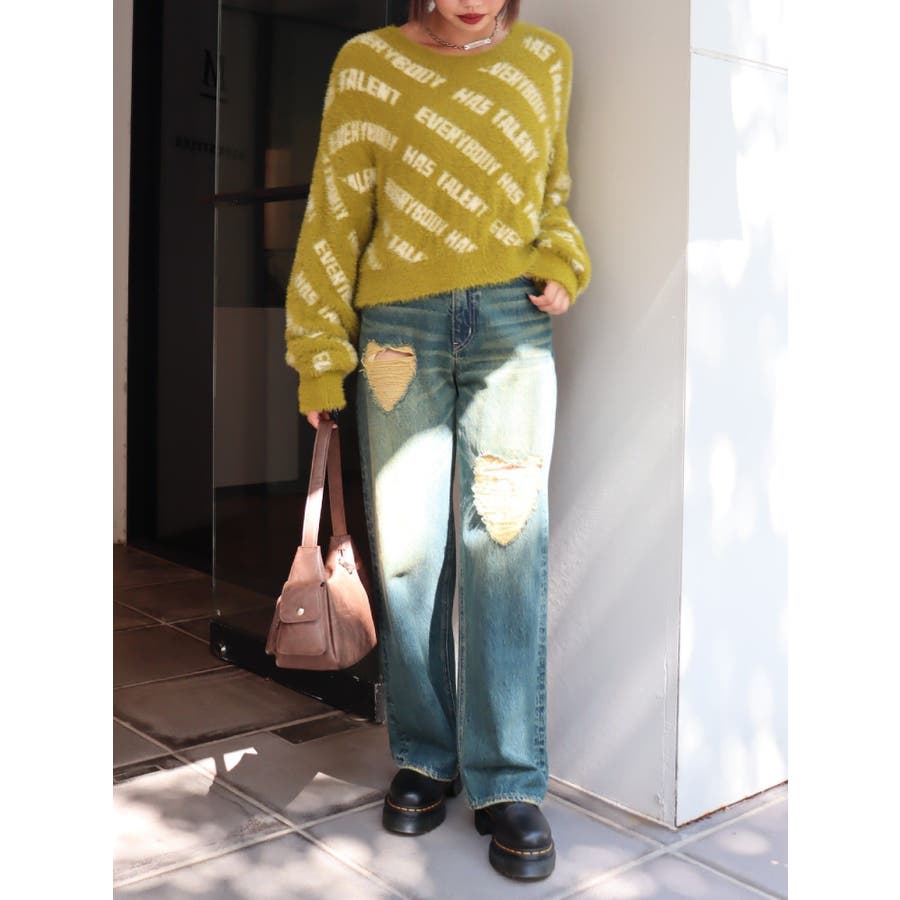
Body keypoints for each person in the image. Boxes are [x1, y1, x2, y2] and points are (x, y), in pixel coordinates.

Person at [283, 0, 591, 882]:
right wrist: (318, 353)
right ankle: (425, 755)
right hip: (398, 336)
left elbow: (552, 195)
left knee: (506, 543)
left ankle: (508, 781)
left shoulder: (545, 61)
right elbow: (334, 214)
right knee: (411, 554)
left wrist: (562, 260)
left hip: (511, 328)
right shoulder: (367, 64)